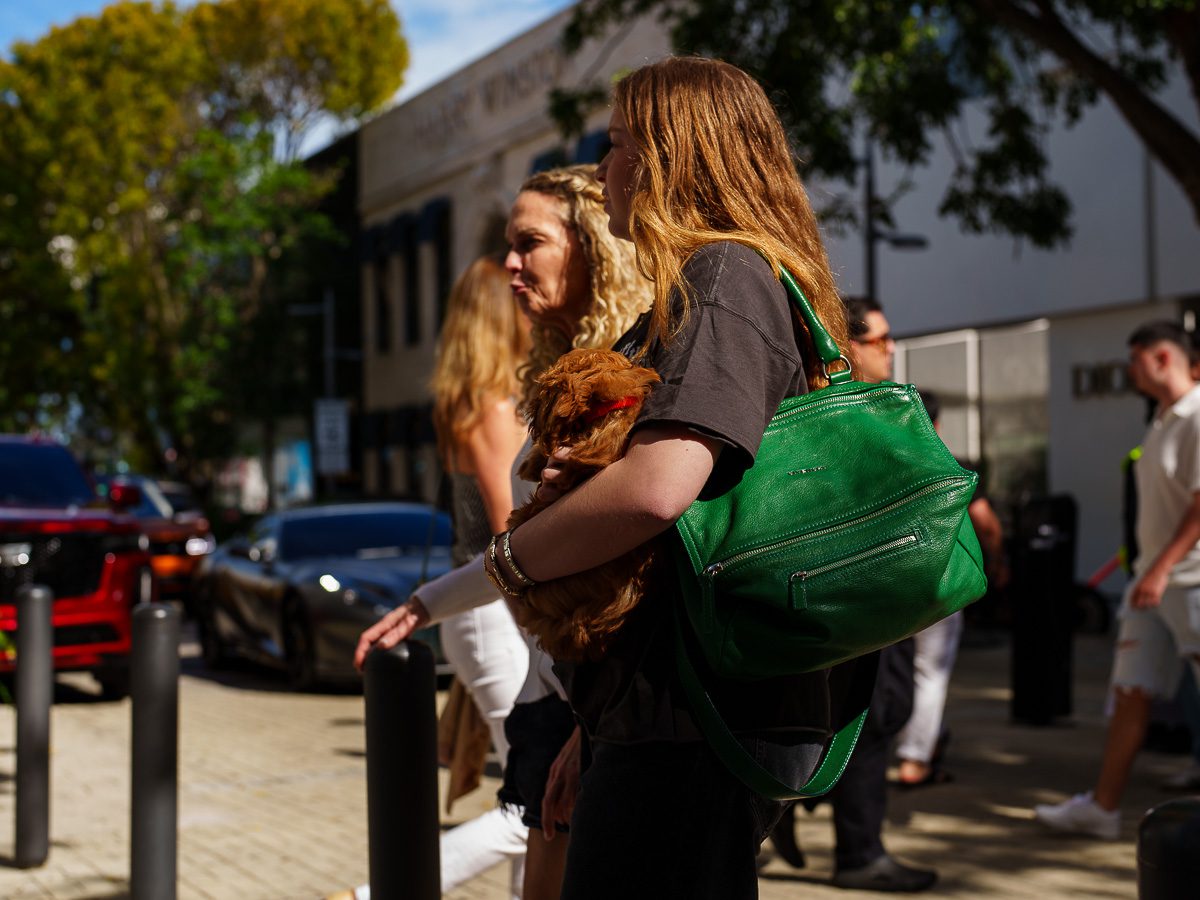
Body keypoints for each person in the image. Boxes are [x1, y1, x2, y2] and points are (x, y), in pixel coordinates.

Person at [482, 57, 872, 899]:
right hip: (660, 715)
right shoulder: (710, 280)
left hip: (691, 722)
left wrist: (512, 559)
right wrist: (597, 728)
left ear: (668, 157)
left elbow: (664, 486)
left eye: (617, 144)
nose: (603, 169)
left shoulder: (724, 274)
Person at [353, 164, 651, 900]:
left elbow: (627, 558)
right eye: (507, 245)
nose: (511, 262)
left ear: (593, 250)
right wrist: (428, 603)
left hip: (618, 699)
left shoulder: (634, 372)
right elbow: (524, 549)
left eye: (531, 243)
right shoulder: (549, 376)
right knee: (539, 843)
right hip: (573, 686)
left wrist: (587, 717)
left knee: (538, 830)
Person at [328, 257, 532, 900]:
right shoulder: (495, 410)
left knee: (540, 798)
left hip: (475, 608)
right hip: (495, 606)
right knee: (531, 803)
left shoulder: (467, 403)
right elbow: (514, 531)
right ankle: (376, 892)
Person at [769, 296, 937, 892]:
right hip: (858, 592)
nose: (890, 350)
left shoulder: (825, 406)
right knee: (872, 714)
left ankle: (786, 815)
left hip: (852, 590)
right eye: (881, 340)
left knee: (860, 712)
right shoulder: (840, 411)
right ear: (847, 343)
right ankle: (859, 852)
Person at [1035, 320, 1200, 839]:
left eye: (1134, 359)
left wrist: (1160, 567)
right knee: (1131, 691)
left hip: (1188, 580)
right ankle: (1103, 808)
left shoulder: (1197, 416)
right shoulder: (1162, 420)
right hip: (1154, 585)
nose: (1128, 370)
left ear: (1161, 358)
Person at [894, 389, 1008, 788]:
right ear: (937, 424)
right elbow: (986, 523)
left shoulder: (888, 460)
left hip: (889, 585)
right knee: (931, 674)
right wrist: (995, 563)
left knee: (886, 670)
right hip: (939, 584)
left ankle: (877, 750)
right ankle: (915, 759)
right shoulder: (949, 464)